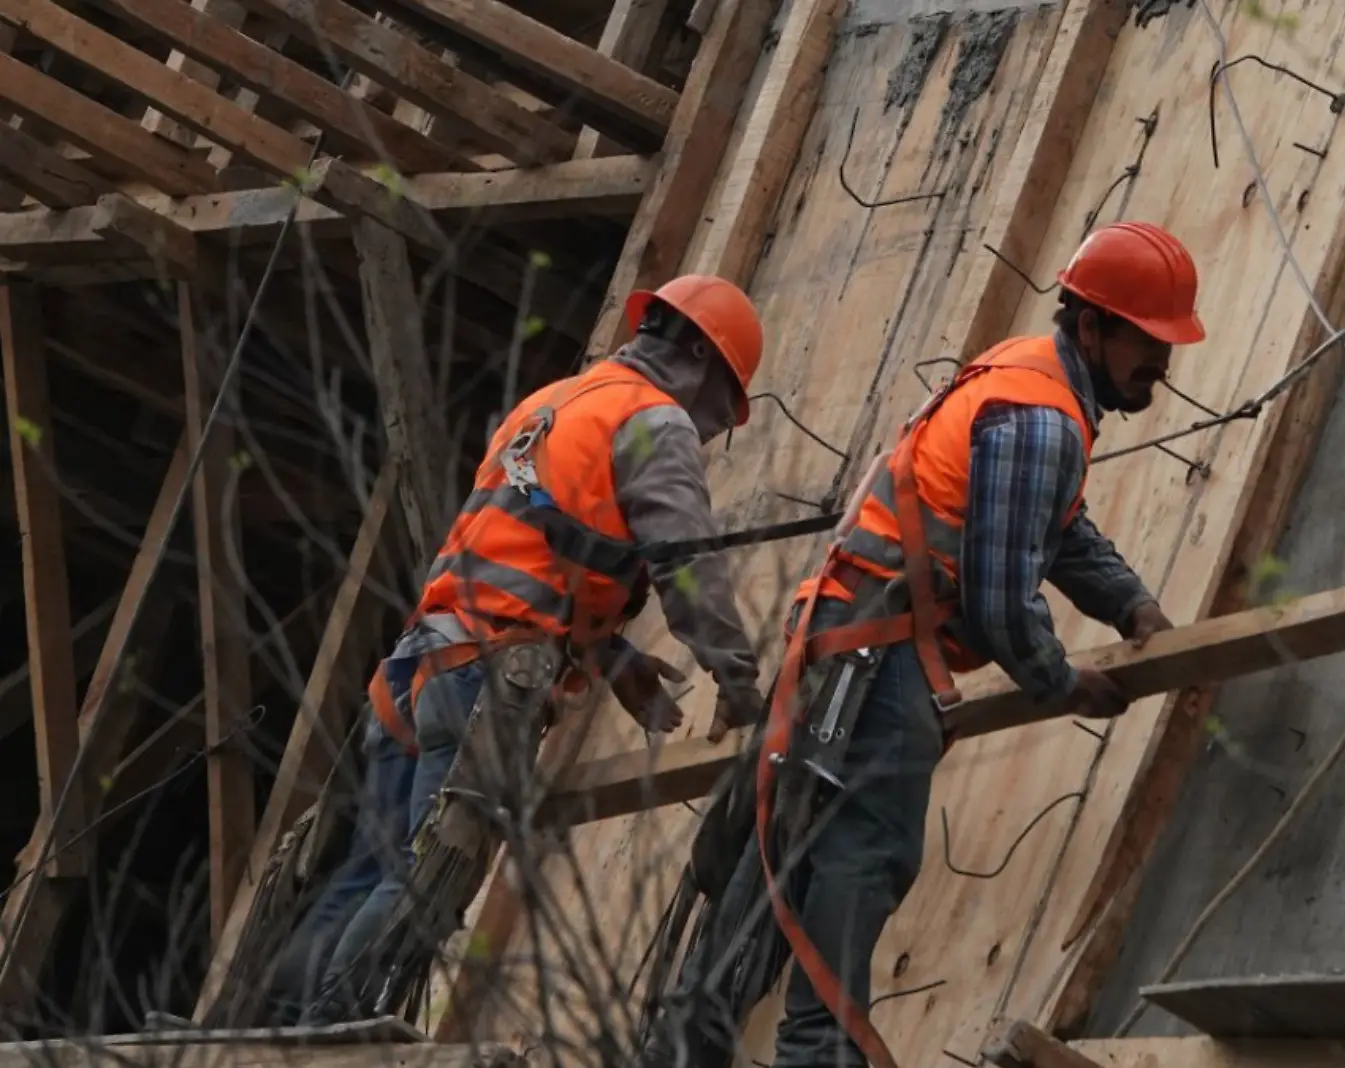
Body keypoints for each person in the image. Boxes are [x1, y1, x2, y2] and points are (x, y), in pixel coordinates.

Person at [653, 221, 1204, 1068]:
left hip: (844, 648)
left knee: (777, 879)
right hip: (878, 669)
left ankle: (685, 1054)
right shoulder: (1042, 418)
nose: (1159, 366)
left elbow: (1055, 530)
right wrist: (1062, 683)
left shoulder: (1020, 377)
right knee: (853, 869)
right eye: (1148, 342)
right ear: (1092, 324)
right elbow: (997, 599)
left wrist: (1130, 605)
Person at [279, 274, 771, 1026]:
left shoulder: (555, 403)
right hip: (484, 677)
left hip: (424, 660)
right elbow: (686, 562)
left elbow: (543, 547)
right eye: (721, 405)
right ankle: (325, 1041)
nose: (708, 427)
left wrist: (612, 660)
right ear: (700, 355)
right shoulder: (653, 421)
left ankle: (270, 1030)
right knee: (431, 871)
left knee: (370, 870)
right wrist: (736, 677)